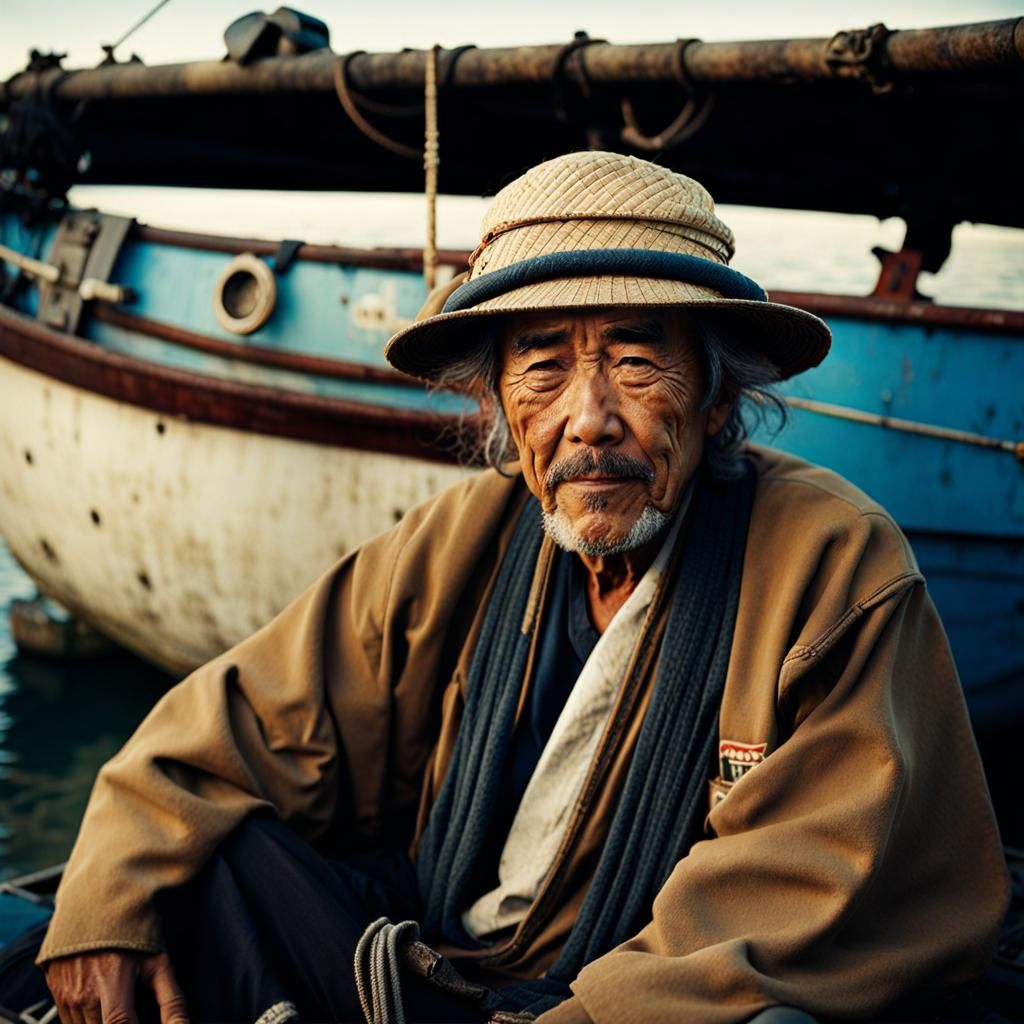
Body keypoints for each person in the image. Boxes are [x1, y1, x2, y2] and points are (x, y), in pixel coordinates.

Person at [35, 151, 1007, 1024]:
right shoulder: (466, 535)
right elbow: (245, 717)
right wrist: (101, 896)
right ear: (498, 406)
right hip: (454, 959)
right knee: (214, 864)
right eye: (542, 365)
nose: (588, 419)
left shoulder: (830, 562)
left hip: (632, 1005)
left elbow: (791, 905)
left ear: (715, 399)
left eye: (634, 359)